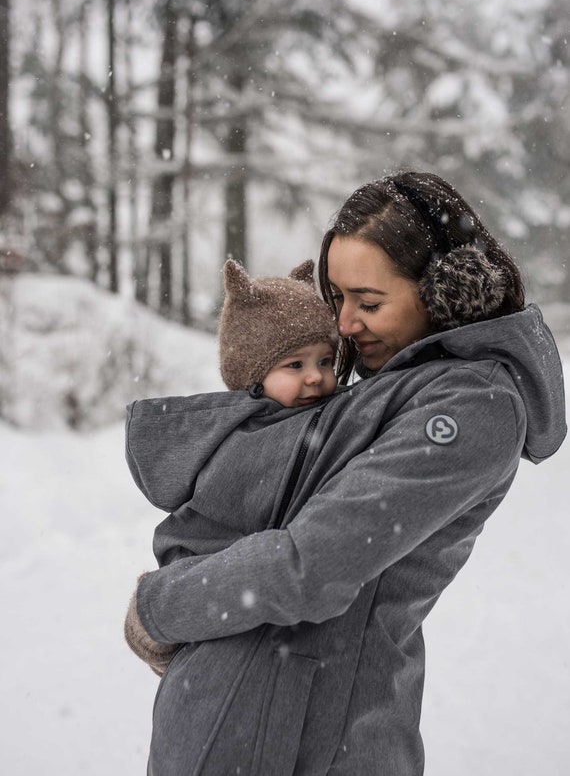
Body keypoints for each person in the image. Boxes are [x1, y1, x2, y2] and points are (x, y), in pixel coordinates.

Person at [125, 171, 566, 776]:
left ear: (445, 292)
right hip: (245, 720)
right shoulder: (392, 389)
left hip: (311, 733)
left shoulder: (472, 404)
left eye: (370, 302)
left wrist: (160, 606)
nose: (345, 326)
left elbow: (311, 564)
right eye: (337, 300)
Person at [125, 257, 339, 674]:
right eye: (295, 364)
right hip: (219, 616)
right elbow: (200, 532)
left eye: (326, 361)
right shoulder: (241, 444)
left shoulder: (323, 420)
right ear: (251, 373)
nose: (315, 377)